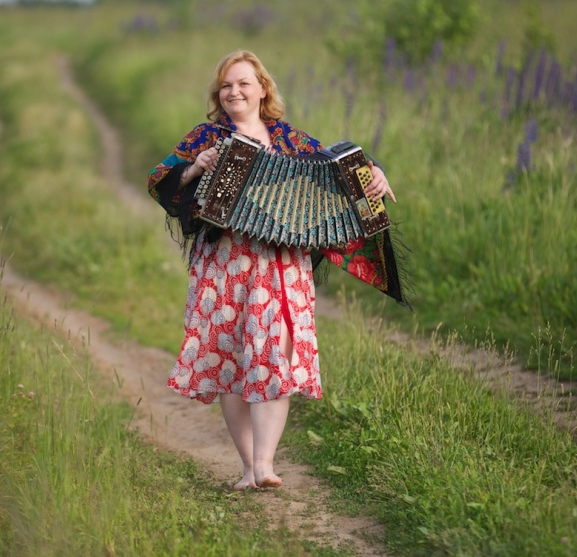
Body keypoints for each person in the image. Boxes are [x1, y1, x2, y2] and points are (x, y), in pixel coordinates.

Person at [148, 50, 408, 491]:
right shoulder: (207, 136)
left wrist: (376, 173)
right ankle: (250, 466)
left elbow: (339, 165)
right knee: (229, 358)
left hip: (282, 263)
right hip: (225, 263)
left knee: (278, 353)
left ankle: (265, 465)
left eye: (243, 83)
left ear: (262, 89)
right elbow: (160, 180)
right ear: (219, 94)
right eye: (226, 86)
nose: (234, 92)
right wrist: (196, 166)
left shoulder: (290, 141)